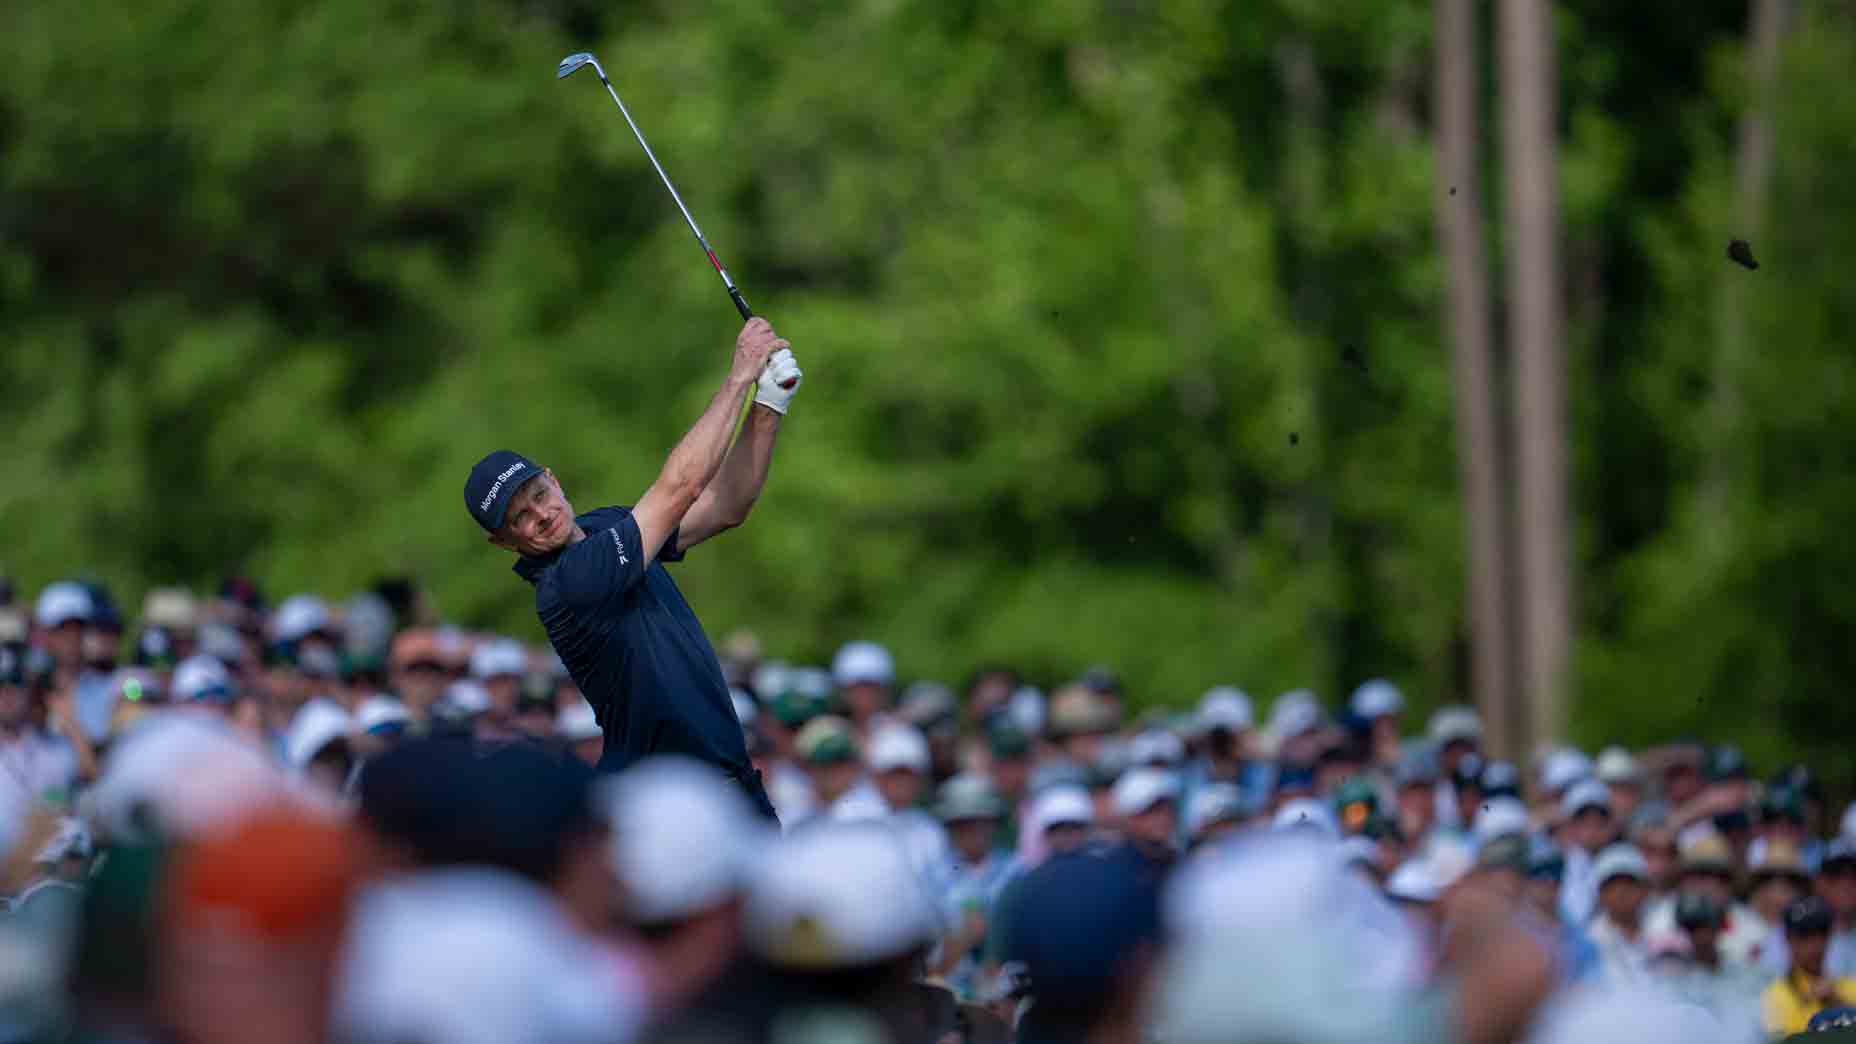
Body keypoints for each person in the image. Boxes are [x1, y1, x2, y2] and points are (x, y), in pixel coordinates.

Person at [464, 319, 802, 819]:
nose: (542, 514)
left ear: (553, 481)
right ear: (504, 541)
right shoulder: (568, 583)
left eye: (538, 495)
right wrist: (737, 380)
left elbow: (723, 506)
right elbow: (679, 487)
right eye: (520, 519)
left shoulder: (609, 527)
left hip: (730, 786)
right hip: (666, 806)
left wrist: (769, 404)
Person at [1763, 896, 1856, 1037]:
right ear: (1788, 938)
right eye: (1804, 936)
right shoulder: (1776, 995)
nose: (1815, 945)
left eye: (1822, 933)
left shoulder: (1849, 987)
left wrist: (1836, 1002)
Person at [1584, 844, 1653, 984]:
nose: (1621, 892)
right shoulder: (1589, 941)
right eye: (1612, 886)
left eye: (1629, 883)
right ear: (1599, 893)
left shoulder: (1663, 928)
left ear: (1645, 889)